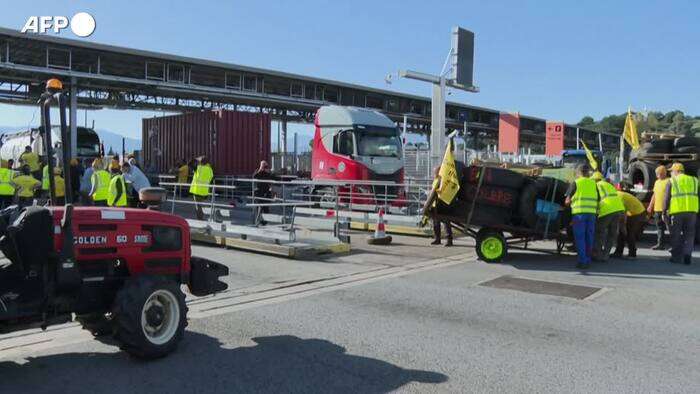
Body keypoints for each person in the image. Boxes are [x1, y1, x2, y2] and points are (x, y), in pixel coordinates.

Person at [662, 162, 698, 264]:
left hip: (677, 212)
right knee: (690, 235)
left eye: (671, 172)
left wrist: (664, 211)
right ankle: (687, 255)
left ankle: (676, 257)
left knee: (676, 235)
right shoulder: (695, 180)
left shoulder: (672, 181)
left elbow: (666, 198)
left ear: (676, 171)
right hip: (692, 212)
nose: (671, 174)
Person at [565, 164, 598, 269]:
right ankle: (587, 260)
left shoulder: (576, 183)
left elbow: (567, 200)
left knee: (580, 238)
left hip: (579, 214)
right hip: (591, 214)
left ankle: (582, 261)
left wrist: (569, 203)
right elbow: (599, 198)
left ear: (578, 172)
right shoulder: (593, 183)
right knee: (589, 237)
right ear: (588, 172)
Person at [591, 171, 625, 262]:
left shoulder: (596, 185)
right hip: (618, 209)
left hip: (607, 210)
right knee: (612, 233)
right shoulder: (609, 185)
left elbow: (596, 200)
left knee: (599, 232)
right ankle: (605, 255)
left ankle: (597, 255)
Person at [611, 190, 647, 259]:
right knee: (622, 232)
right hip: (633, 212)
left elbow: (622, 215)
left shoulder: (618, 197)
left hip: (638, 213)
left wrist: (622, 226)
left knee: (629, 233)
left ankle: (632, 253)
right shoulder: (616, 195)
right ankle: (618, 252)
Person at [647, 165, 670, 250]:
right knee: (659, 228)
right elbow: (654, 195)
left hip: (666, 209)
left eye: (659, 173)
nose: (657, 175)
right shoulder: (656, 182)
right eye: (657, 174)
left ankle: (674, 245)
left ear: (664, 173)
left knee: (670, 227)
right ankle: (660, 244)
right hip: (657, 209)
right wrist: (650, 205)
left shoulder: (669, 181)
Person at [429, 166, 453, 247]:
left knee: (446, 221)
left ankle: (449, 239)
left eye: (435, 172)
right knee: (436, 222)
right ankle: (437, 239)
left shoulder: (442, 180)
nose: (434, 173)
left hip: (441, 203)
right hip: (434, 204)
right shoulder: (435, 180)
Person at [252, 160, 279, 225]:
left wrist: (269, 172)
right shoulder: (258, 171)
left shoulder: (268, 172)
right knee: (259, 207)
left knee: (266, 207)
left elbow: (274, 177)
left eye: (266, 166)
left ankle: (265, 221)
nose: (265, 167)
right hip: (259, 191)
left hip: (266, 191)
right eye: (263, 165)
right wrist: (260, 169)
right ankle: (258, 220)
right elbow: (254, 176)